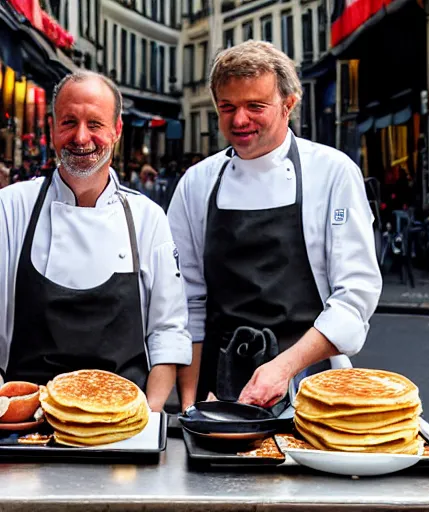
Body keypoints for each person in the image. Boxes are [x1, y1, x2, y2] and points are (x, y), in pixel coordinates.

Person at [168, 41, 382, 410]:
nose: (239, 120)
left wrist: (283, 368)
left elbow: (355, 296)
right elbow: (186, 301)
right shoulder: (196, 183)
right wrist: (190, 405)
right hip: (216, 385)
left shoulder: (333, 173)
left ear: (289, 105)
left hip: (309, 382)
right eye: (228, 108)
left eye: (255, 106)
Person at [0, 71, 192, 411]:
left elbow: (168, 333)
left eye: (95, 124)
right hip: (28, 425)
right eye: (69, 122)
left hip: (123, 428)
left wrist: (149, 415)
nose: (81, 137)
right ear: (51, 128)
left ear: (116, 131)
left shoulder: (147, 219)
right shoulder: (11, 208)